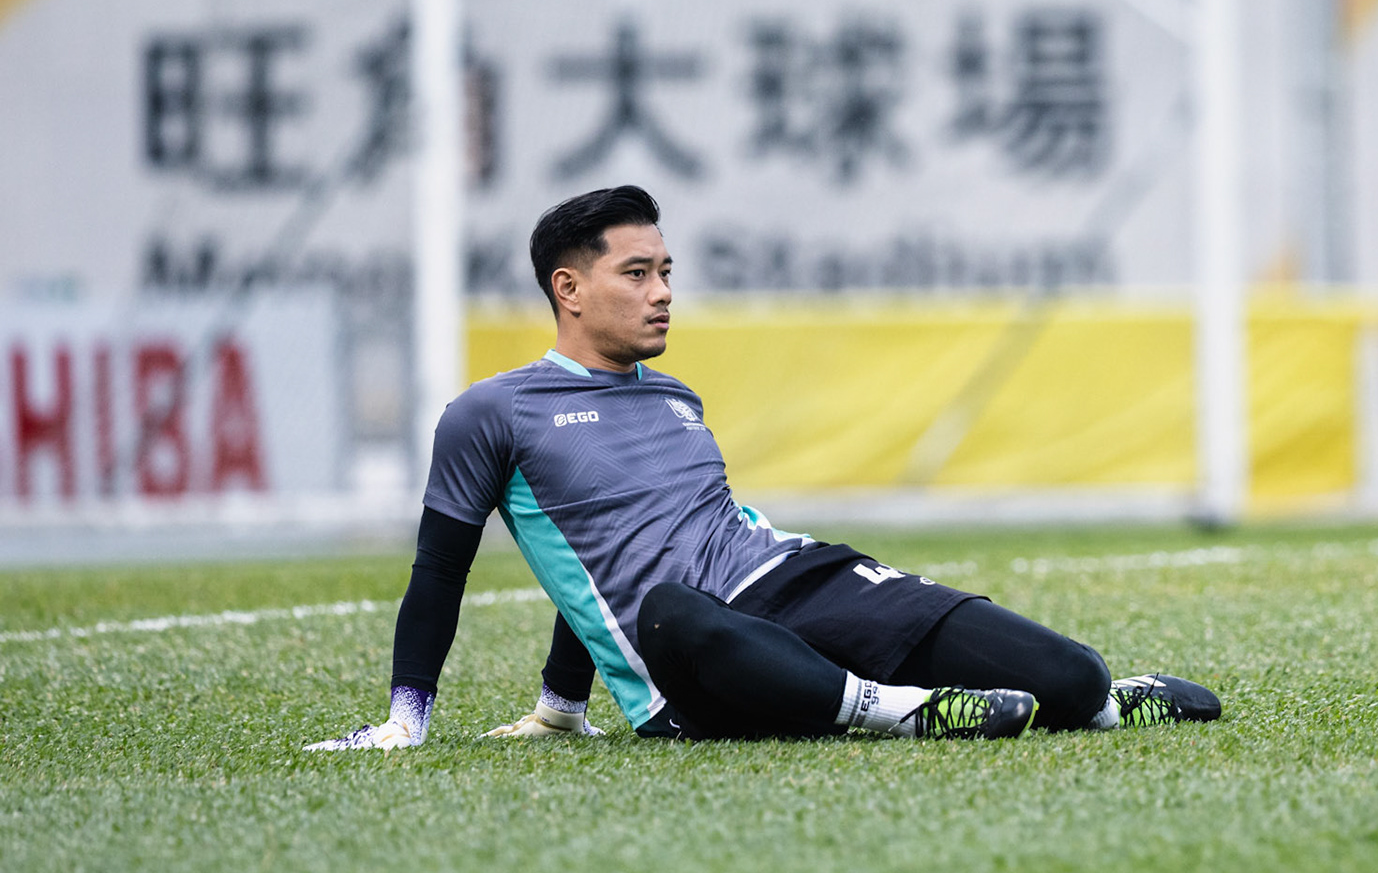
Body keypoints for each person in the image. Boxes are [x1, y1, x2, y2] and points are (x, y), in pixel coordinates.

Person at [308, 186, 1220, 751]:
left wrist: (557, 704)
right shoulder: (490, 412)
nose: (663, 291)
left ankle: (1107, 704)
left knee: (1065, 675)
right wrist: (407, 717)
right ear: (568, 289)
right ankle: (900, 712)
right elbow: (443, 573)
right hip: (694, 650)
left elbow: (589, 547)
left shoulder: (676, 399)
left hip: (794, 576)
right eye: (637, 273)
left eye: (668, 270)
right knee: (671, 606)